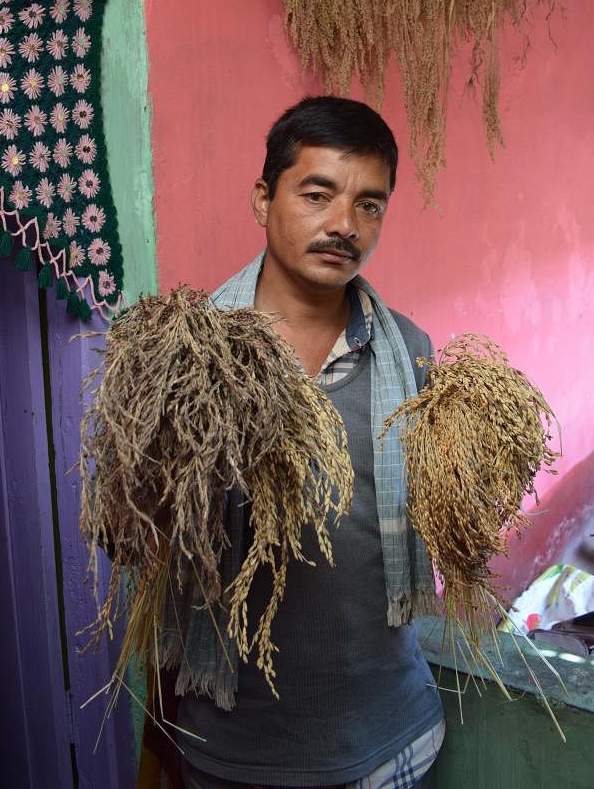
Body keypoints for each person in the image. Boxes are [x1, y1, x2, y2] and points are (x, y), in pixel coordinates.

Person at [172, 96, 445, 789]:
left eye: (370, 205)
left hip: (393, 739)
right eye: (317, 194)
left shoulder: (409, 354)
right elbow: (133, 543)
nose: (344, 226)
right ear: (264, 200)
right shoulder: (185, 359)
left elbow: (434, 522)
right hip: (237, 751)